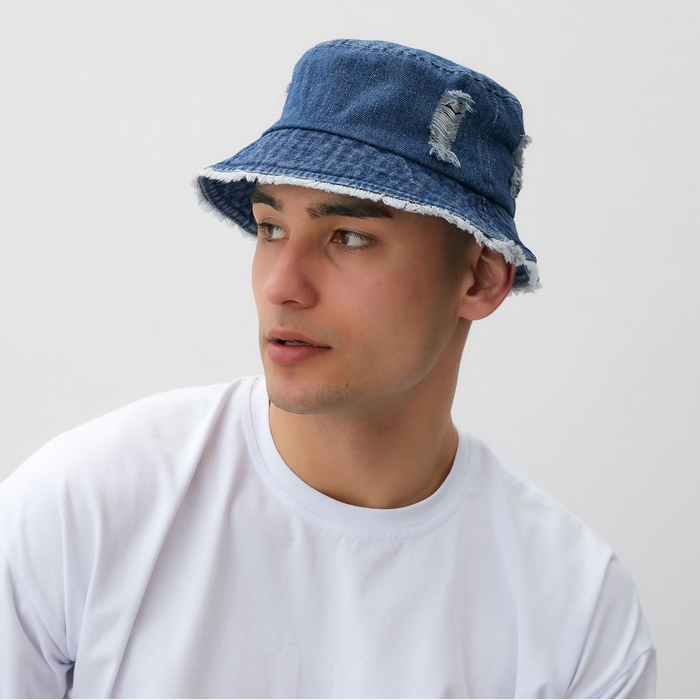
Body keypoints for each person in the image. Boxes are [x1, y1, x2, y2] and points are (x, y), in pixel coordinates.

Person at [0, 39, 655, 698]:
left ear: (481, 278)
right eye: (270, 229)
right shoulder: (83, 509)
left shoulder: (576, 610)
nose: (281, 286)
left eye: (349, 236)